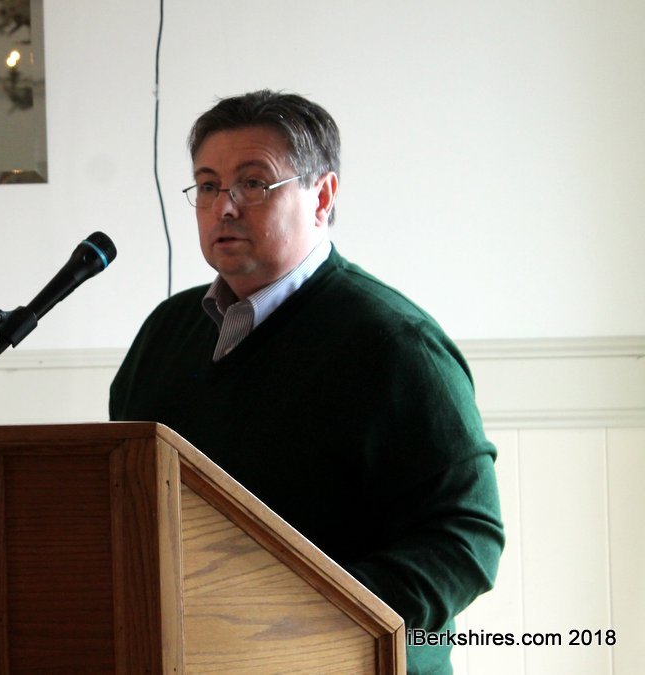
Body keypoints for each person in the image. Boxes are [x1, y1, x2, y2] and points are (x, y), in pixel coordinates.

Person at [109, 90, 503, 674]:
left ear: (322, 197)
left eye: (252, 183)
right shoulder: (166, 332)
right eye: (208, 186)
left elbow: (465, 537)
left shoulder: (394, 342)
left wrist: (308, 623)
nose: (224, 207)